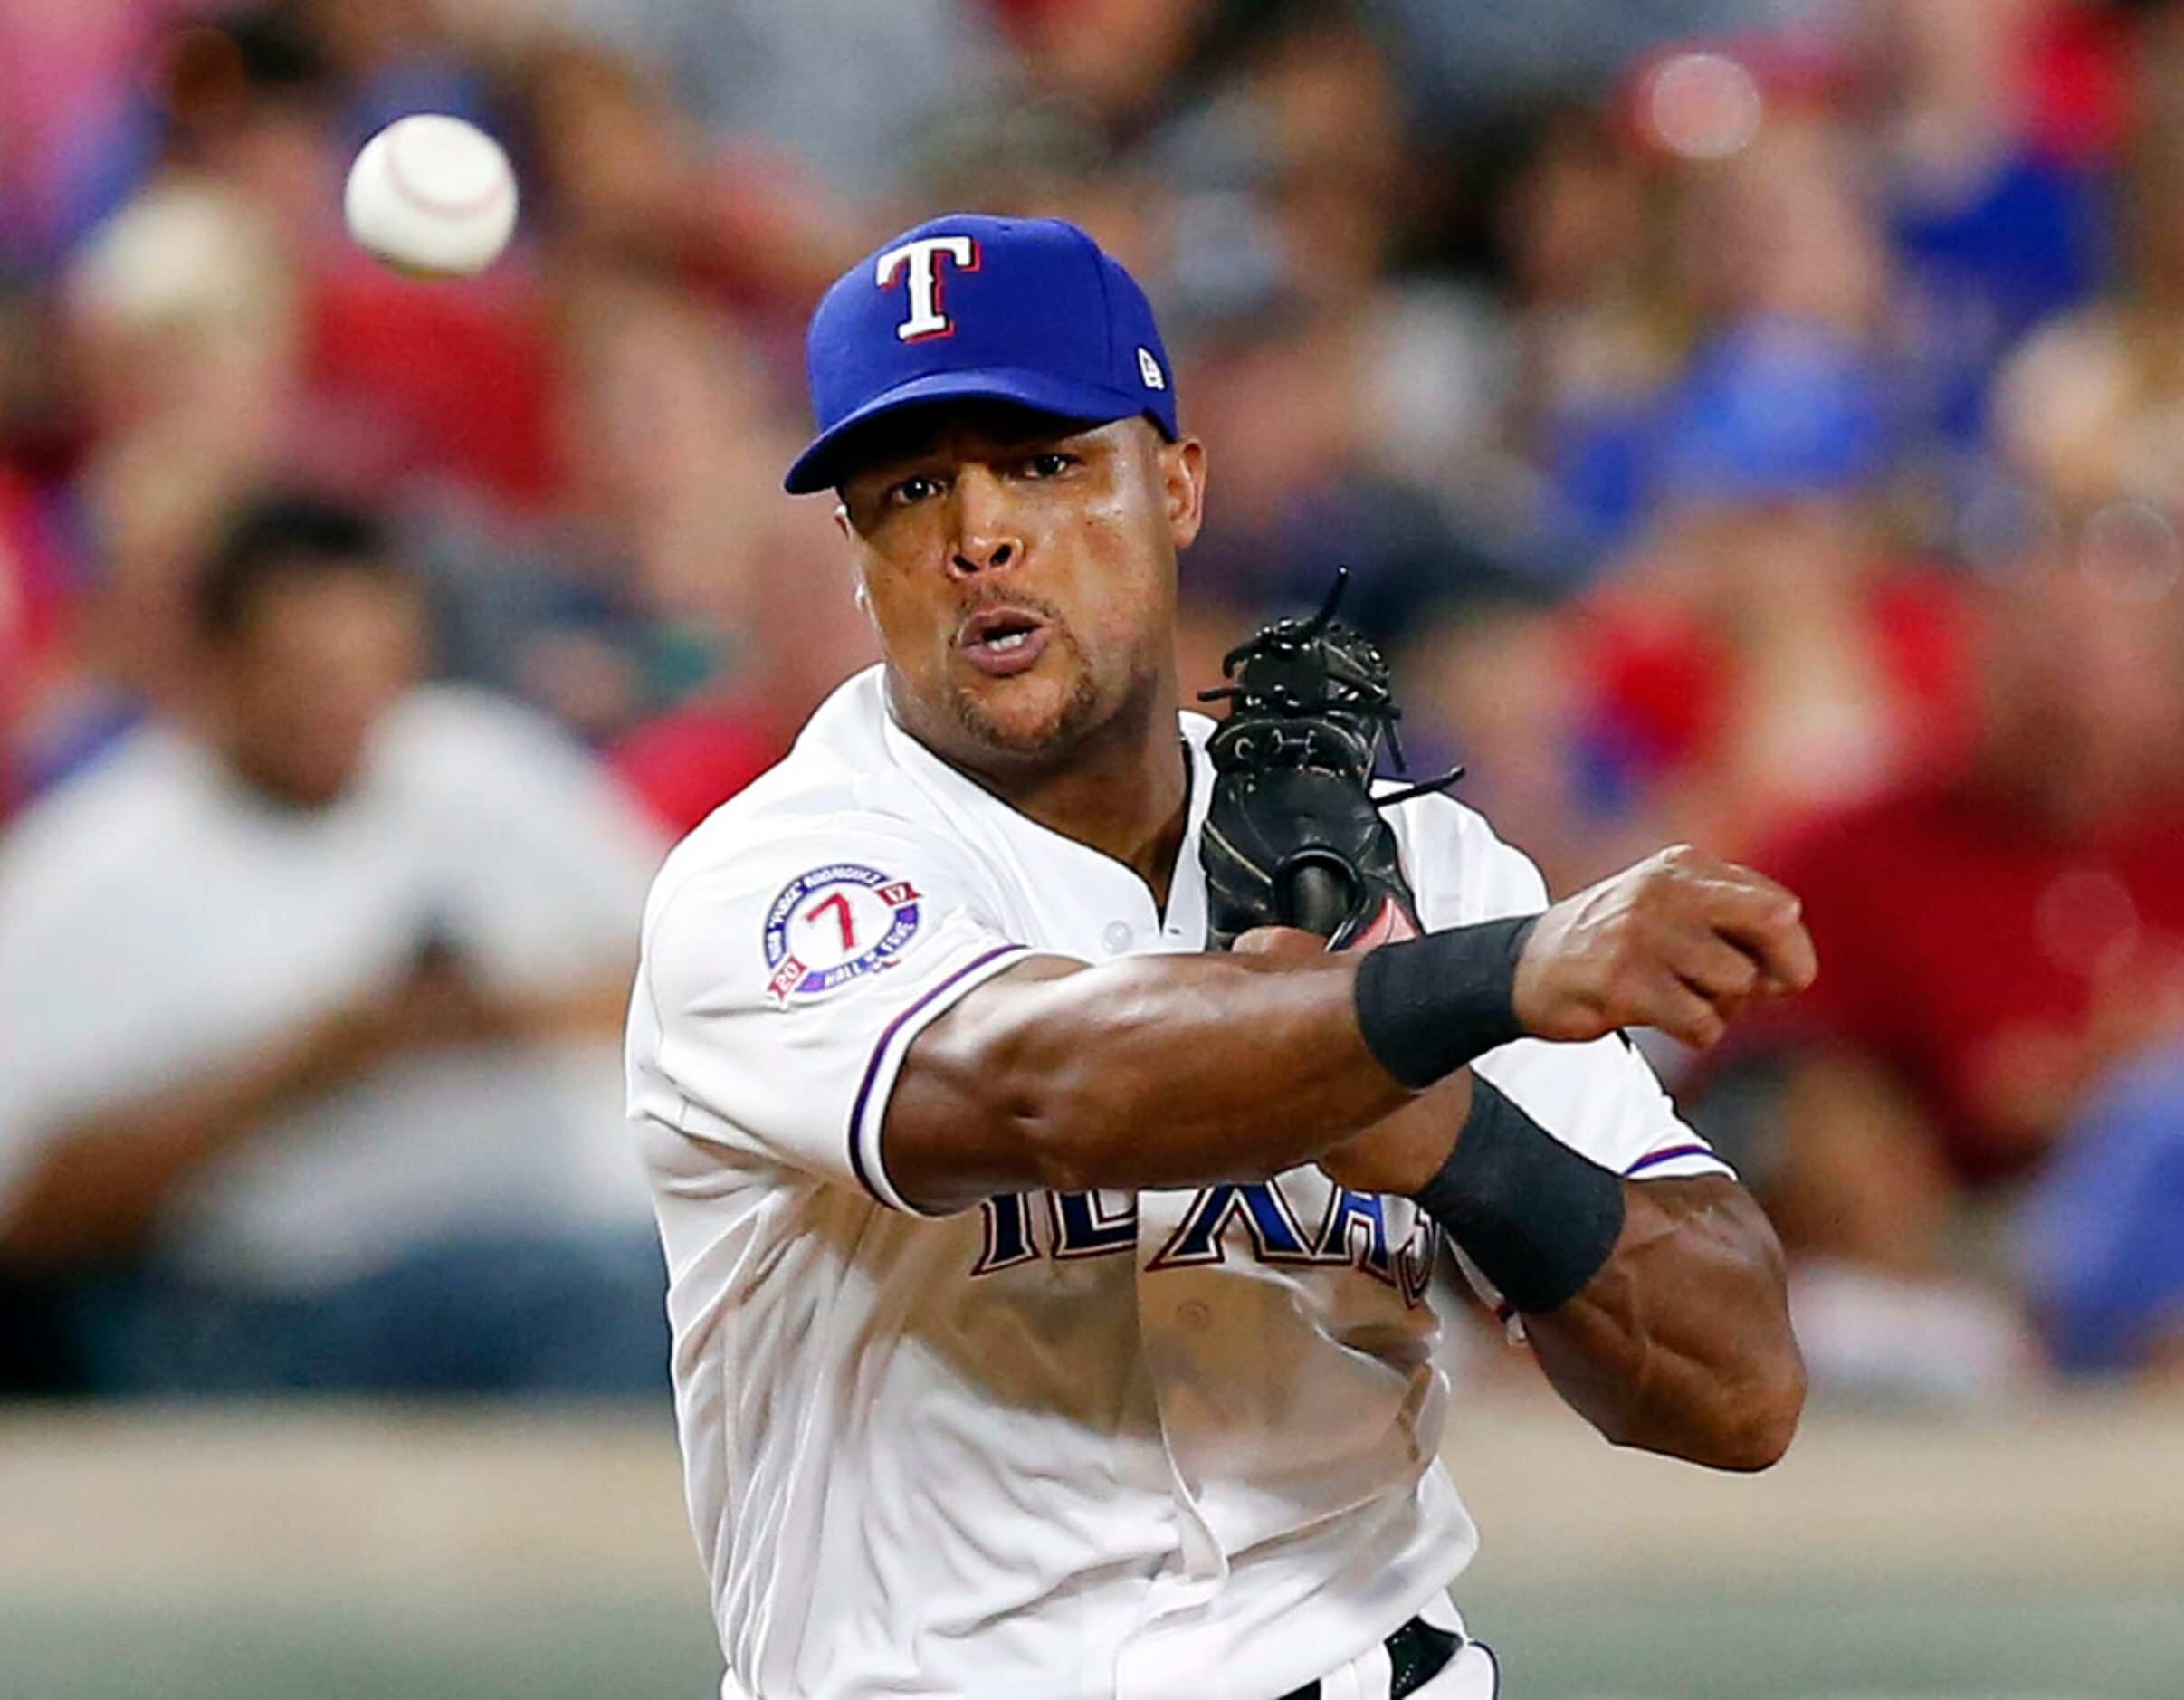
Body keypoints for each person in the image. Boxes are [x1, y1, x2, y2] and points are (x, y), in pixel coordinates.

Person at [627, 215, 1810, 1699]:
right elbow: (1047, 1090)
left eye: (1046, 462)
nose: (977, 532)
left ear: (1173, 484)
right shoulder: (778, 877)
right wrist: (1472, 986)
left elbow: (1735, 1383)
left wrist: (1443, 1124)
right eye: (910, 487)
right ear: (859, 552)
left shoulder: (1409, 864)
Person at [0, 492, 669, 1394]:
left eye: (374, 666)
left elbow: (698, 979)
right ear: (213, 666)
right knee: (615, 1310)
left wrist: (490, 1015)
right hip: (264, 1306)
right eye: (305, 672)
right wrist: (312, 1062)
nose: (344, 705)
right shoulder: (92, 867)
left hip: (572, 1232)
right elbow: (32, 1216)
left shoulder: (486, 765)